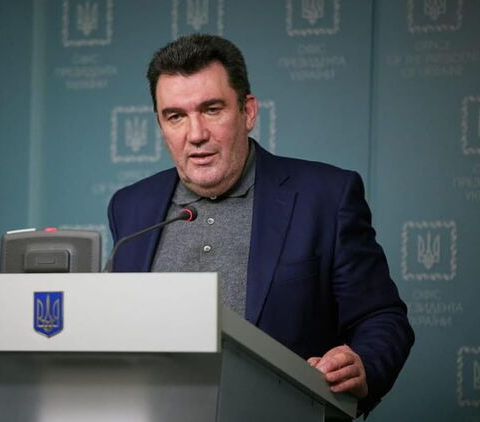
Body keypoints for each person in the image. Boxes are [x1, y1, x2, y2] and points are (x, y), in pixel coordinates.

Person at [106, 34, 414, 415]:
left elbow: (382, 318)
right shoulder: (130, 207)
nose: (196, 134)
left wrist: (363, 363)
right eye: (176, 116)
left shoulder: (326, 197)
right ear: (160, 124)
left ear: (248, 112)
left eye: (212, 109)